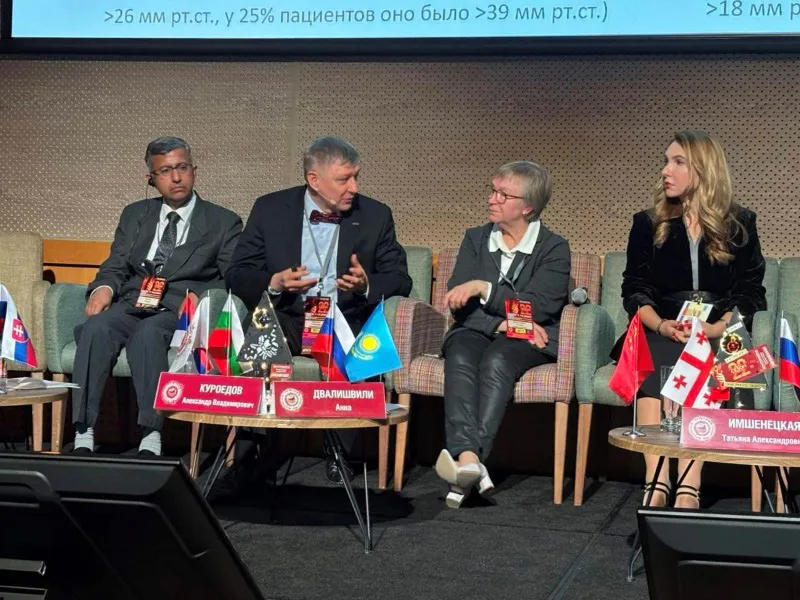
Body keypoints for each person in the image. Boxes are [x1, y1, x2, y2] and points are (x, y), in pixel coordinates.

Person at [226, 136, 412, 482]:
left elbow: (400, 279)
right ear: (314, 180)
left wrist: (365, 284)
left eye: (355, 177)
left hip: (344, 318)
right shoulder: (270, 209)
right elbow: (237, 273)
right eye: (344, 179)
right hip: (290, 314)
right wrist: (274, 282)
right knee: (262, 336)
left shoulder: (375, 215)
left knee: (362, 347)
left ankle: (339, 450)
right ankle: (252, 453)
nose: (354, 187)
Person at [616, 130, 766, 508]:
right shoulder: (648, 222)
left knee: (707, 356)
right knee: (653, 358)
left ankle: (688, 484)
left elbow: (750, 292)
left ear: (703, 169)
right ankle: (656, 481)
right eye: (666, 161)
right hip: (663, 323)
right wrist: (661, 324)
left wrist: (716, 328)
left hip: (718, 325)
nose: (666, 170)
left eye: (678, 162)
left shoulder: (741, 223)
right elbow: (634, 288)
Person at [70, 136, 242, 456]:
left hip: (177, 307)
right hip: (132, 301)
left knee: (148, 334)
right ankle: (83, 428)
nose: (176, 177)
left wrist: (204, 299)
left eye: (182, 168)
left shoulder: (222, 221)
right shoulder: (135, 214)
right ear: (151, 178)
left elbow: (233, 276)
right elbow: (116, 264)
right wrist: (104, 288)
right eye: (165, 171)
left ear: (194, 171)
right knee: (96, 327)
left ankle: (151, 432)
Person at [434, 161, 570, 508]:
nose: (492, 199)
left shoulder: (554, 248)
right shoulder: (475, 239)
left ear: (527, 207)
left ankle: (469, 463)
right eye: (492, 190)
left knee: (497, 360)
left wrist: (485, 288)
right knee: (460, 353)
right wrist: (502, 324)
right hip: (476, 328)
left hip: (530, 340)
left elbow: (540, 306)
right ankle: (469, 460)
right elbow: (457, 300)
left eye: (503, 195)